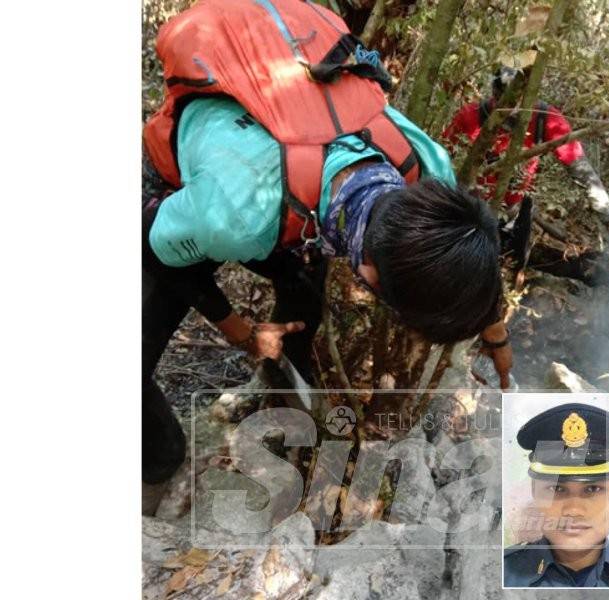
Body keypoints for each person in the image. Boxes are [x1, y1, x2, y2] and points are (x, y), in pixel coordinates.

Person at [142, 0, 512, 512]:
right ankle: (157, 464)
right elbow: (157, 249)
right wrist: (239, 330)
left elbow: (469, 250)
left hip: (286, 194)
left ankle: (279, 387)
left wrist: (496, 333)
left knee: (302, 288)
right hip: (192, 197)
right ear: (367, 273)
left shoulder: (428, 171)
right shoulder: (235, 217)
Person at [443, 66, 609, 267]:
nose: (511, 108)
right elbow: (441, 158)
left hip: (514, 210)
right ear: (494, 93)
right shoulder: (471, 115)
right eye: (504, 99)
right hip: (468, 205)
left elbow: (582, 170)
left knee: (509, 262)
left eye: (519, 99)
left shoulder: (545, 119)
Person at [503, 402, 609, 588]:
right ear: (534, 490)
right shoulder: (498, 573)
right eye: (556, 489)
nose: (573, 510)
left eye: (592, 489)